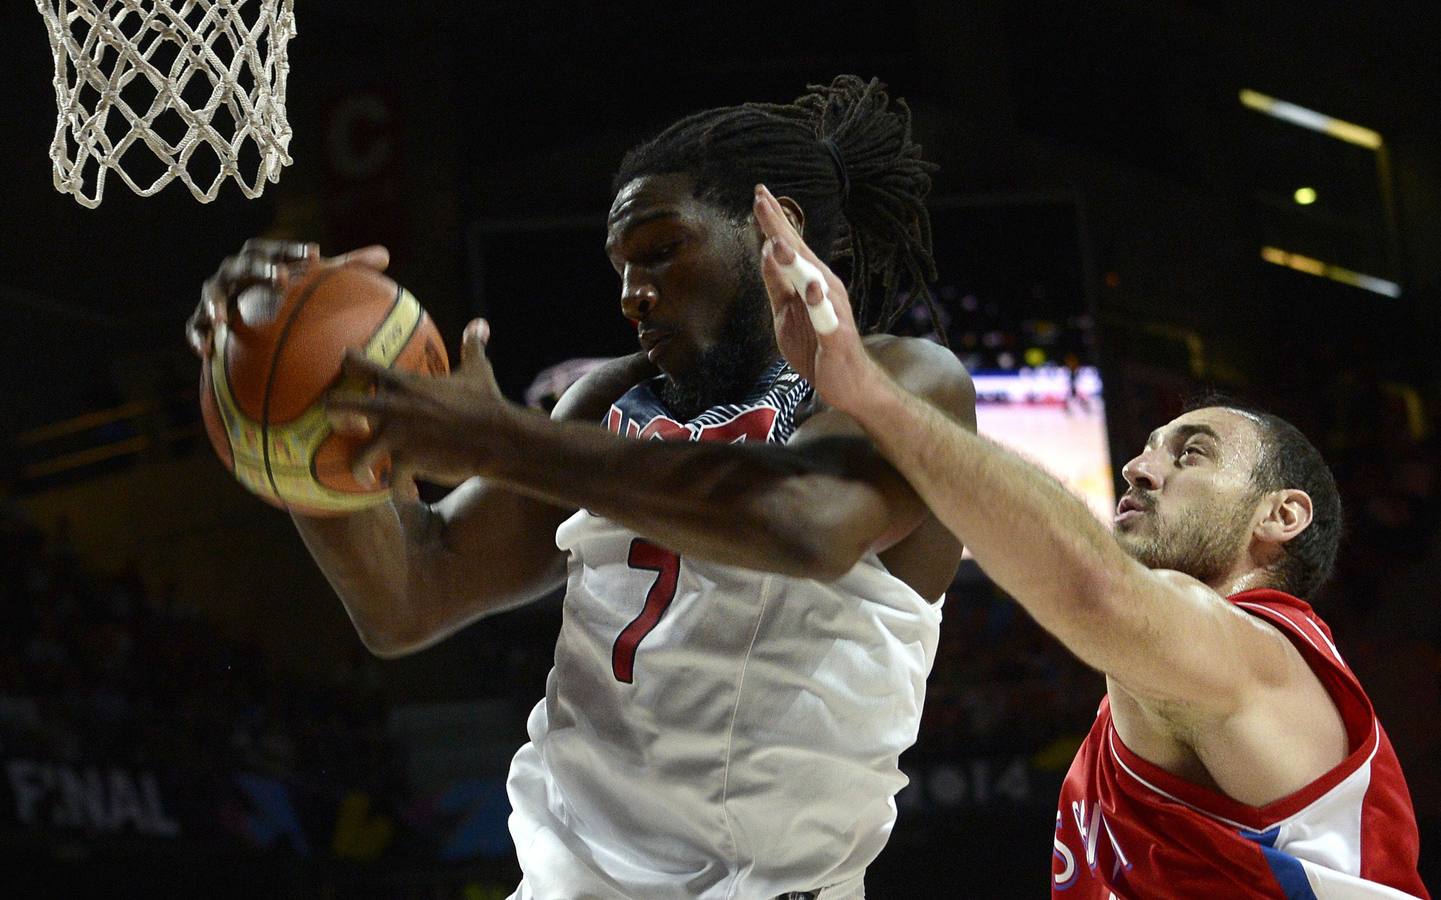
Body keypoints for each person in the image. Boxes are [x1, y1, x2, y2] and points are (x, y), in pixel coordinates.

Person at [189, 76, 976, 899]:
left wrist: (504, 441)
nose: (632, 296)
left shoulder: (909, 383)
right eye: (622, 267)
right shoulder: (605, 404)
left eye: (661, 250)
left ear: (776, 231)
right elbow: (410, 593)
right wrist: (299, 409)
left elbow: (807, 523)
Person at [752, 185, 1430, 897]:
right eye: (1147, 448)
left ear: (1280, 516)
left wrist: (868, 389)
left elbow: (1095, 589)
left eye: (1190, 453)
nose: (1139, 467)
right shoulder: (1155, 696)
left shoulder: (1259, 654)